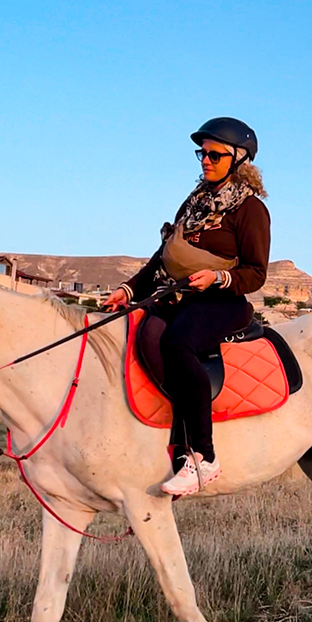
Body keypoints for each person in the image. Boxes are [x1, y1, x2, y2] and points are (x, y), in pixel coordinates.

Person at [102, 117, 270, 496]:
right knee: (134, 330)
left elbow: (256, 273)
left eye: (214, 154)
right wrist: (128, 291)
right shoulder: (193, 204)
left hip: (223, 301)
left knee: (178, 344)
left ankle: (202, 457)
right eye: (202, 153)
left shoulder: (250, 211)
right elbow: (162, 259)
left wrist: (217, 278)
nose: (205, 161)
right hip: (178, 296)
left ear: (239, 159)